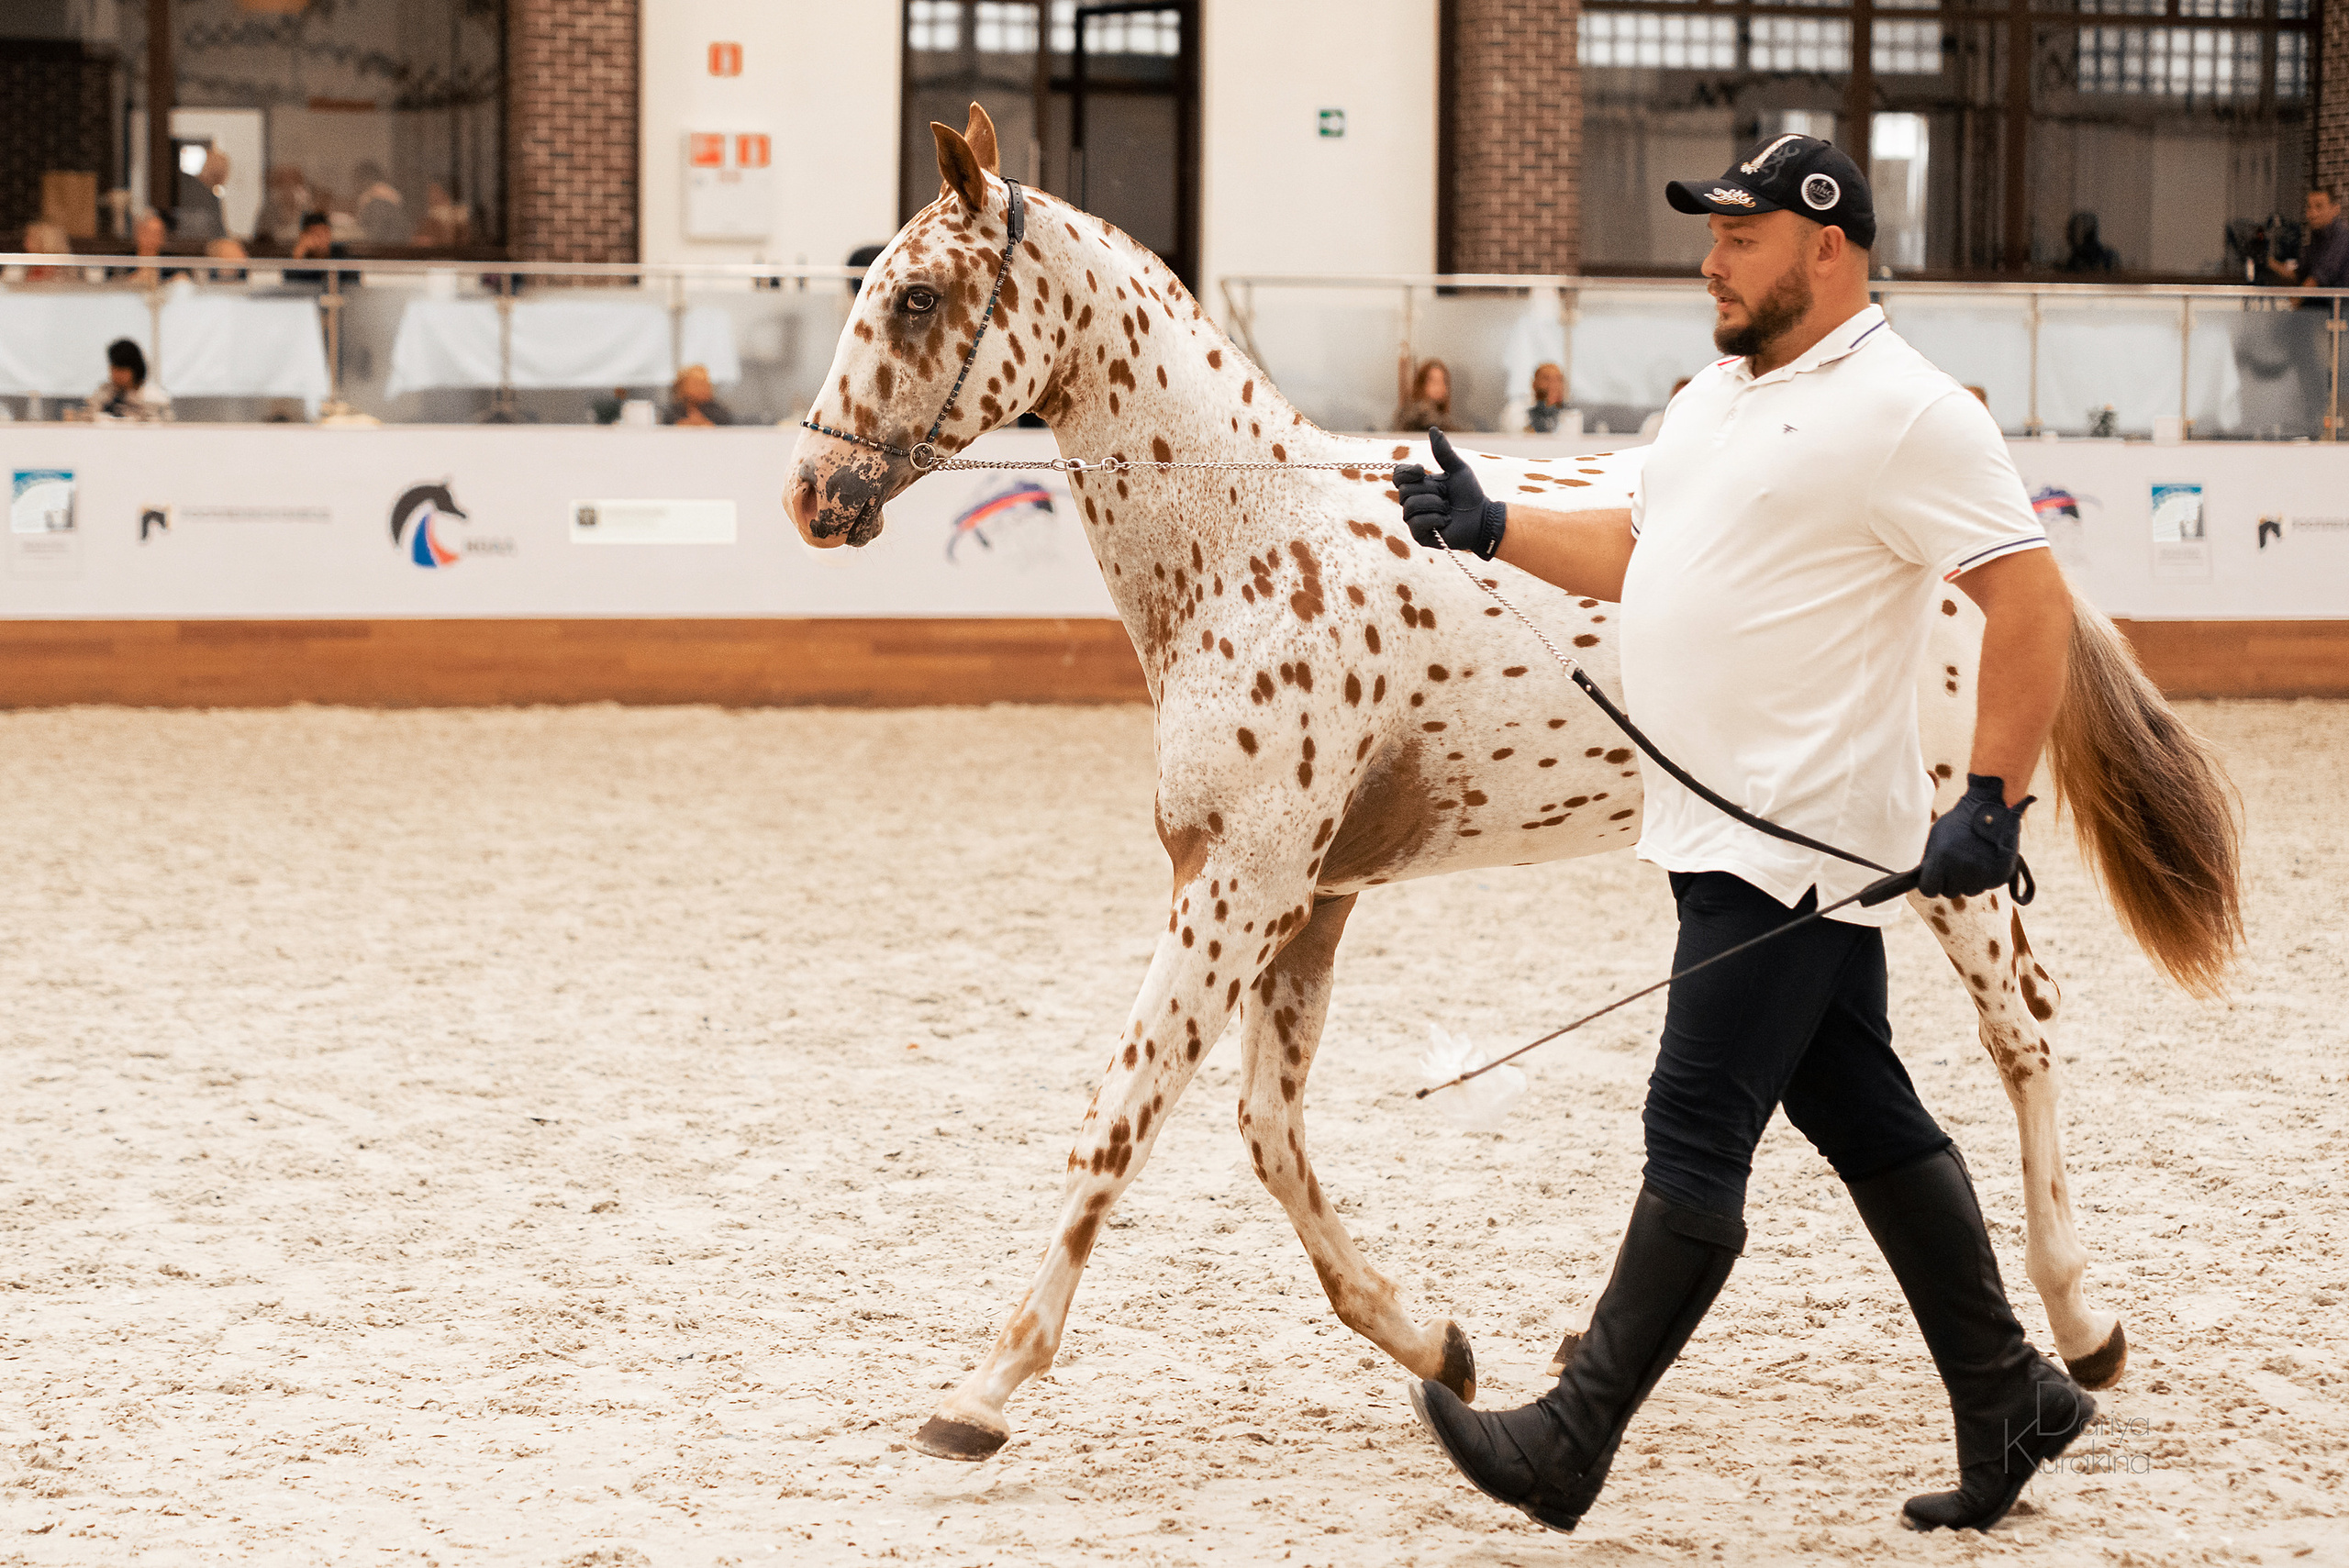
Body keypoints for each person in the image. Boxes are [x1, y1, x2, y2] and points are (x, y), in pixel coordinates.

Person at [1393, 133, 2093, 1536]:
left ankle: (1571, 1437)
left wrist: (1994, 797)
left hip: (1801, 835)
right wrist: (1492, 526)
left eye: (1740, 236)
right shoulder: (1715, 395)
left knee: (1695, 1128)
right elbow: (1641, 546)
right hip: (1708, 827)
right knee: (1865, 1113)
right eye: (1713, 234)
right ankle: (2011, 1389)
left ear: (1825, 246)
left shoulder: (1908, 411)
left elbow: (2034, 603)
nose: (1710, 259)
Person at [88, 339, 171, 421]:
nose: (115, 375)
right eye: (113, 369)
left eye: (121, 370)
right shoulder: (105, 393)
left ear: (135, 370)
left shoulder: (153, 396)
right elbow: (89, 416)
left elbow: (163, 424)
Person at [1394, 353, 1470, 432]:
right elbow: (1439, 427)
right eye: (1434, 382)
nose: (1439, 387)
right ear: (1422, 384)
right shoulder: (1418, 412)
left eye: (1443, 381)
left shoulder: (1438, 413)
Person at [284, 212, 350, 287]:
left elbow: (350, 284)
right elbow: (291, 285)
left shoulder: (340, 254)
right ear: (304, 236)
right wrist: (299, 253)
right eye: (315, 234)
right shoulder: (302, 257)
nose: (321, 238)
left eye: (325, 232)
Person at [666, 363, 733, 426]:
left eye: (706, 384)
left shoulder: (717, 412)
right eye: (696, 384)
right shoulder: (673, 411)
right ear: (681, 386)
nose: (703, 388)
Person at [2055, 211, 2120, 272]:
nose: (2070, 235)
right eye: (2071, 231)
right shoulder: (2076, 257)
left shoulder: (2107, 257)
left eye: (2078, 231)